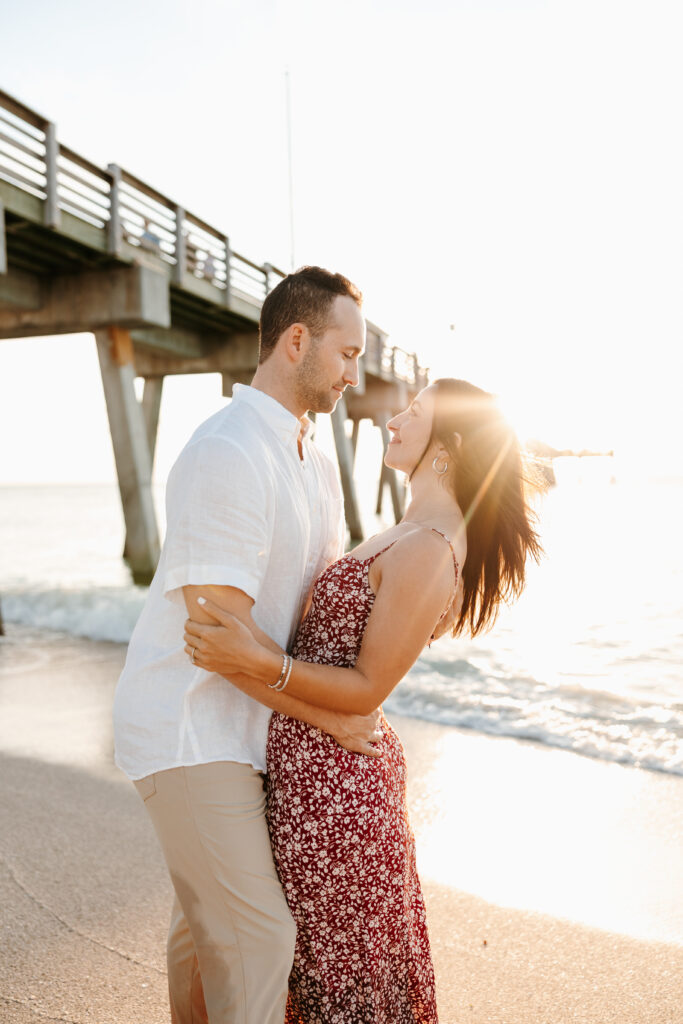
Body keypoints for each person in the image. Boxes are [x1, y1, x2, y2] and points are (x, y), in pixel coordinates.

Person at [184, 377, 543, 1024]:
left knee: (326, 979)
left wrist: (262, 662)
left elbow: (368, 688)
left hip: (337, 794)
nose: (394, 420)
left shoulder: (431, 548)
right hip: (312, 770)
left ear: (449, 446)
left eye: (413, 412)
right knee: (289, 967)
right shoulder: (407, 530)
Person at [113, 266, 383, 1024]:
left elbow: (308, 609)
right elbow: (217, 643)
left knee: (205, 939)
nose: (354, 375)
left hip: (252, 730)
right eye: (346, 353)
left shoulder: (317, 460)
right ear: (296, 340)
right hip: (192, 729)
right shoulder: (228, 451)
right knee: (260, 939)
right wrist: (328, 716)